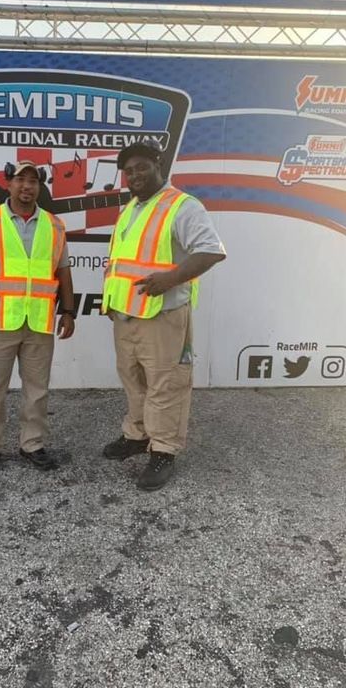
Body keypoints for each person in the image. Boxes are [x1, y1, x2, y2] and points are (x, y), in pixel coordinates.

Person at [101, 142, 226, 491]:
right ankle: (137, 436)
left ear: (158, 165)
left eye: (142, 167)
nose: (135, 175)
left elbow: (211, 251)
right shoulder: (131, 208)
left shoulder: (182, 206)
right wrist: (110, 299)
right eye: (128, 170)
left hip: (164, 314)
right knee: (133, 379)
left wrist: (170, 279)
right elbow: (121, 261)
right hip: (127, 314)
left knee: (166, 384)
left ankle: (164, 450)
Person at [0, 160, 76, 478]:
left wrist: (68, 311)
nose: (27, 186)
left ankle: (32, 445)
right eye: (20, 180)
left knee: (37, 390)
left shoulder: (54, 225)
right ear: (7, 184)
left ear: (40, 187)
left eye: (34, 181)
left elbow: (63, 271)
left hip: (38, 323)